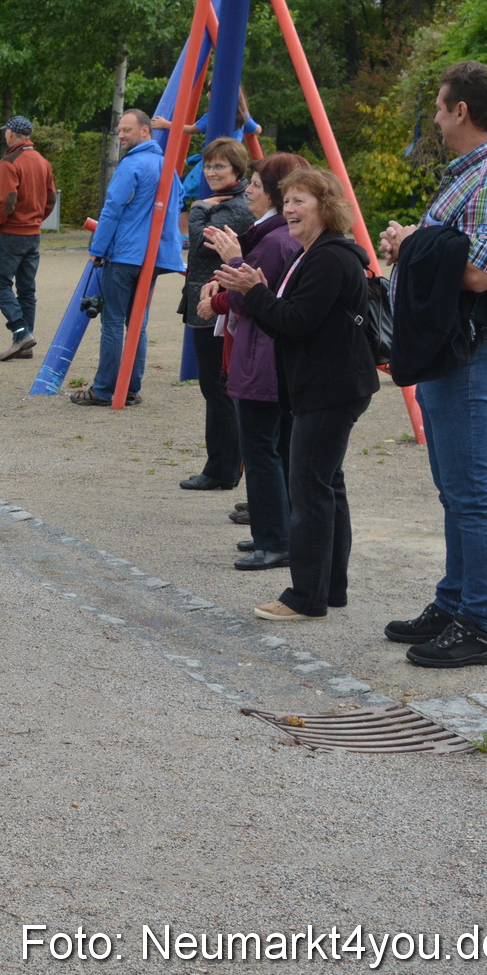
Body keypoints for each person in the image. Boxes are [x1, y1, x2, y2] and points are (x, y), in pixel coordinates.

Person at [380, 60, 487, 667]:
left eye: (441, 110)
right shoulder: (478, 171)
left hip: (474, 352)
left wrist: (410, 243)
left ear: (462, 110)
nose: (438, 122)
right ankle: (454, 603)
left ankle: (483, 624)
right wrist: (414, 241)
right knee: (455, 491)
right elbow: (456, 250)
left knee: (471, 494)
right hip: (456, 350)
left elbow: (478, 272)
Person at [214, 168, 377, 619]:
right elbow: (286, 320)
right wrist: (256, 292)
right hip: (328, 383)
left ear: (326, 206)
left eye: (299, 201)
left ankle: (306, 596)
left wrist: (254, 291)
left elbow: (296, 322)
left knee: (309, 489)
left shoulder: (329, 257)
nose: (289, 209)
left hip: (331, 387)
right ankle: (330, 588)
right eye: (286, 201)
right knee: (326, 485)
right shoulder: (312, 254)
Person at [199, 152, 309, 571]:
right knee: (276, 447)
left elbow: (251, 295)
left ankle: (274, 538)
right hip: (270, 356)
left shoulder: (276, 239)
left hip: (262, 357)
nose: (249, 191)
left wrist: (230, 265)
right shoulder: (277, 236)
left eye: (257, 186)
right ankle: (276, 531)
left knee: (263, 449)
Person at [71, 109, 184, 406]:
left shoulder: (132, 164)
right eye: (120, 129)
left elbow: (112, 209)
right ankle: (131, 387)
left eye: (126, 130)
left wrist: (97, 249)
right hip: (152, 256)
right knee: (138, 324)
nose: (120, 135)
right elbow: (177, 203)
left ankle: (105, 389)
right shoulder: (167, 165)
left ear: (145, 131)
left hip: (124, 255)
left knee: (112, 322)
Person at [176, 137, 255, 490]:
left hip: (219, 304)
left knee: (218, 387)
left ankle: (223, 468)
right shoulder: (223, 203)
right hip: (208, 301)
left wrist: (198, 207)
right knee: (215, 386)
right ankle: (224, 465)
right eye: (208, 166)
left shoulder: (236, 206)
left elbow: (201, 240)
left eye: (219, 166)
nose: (211, 172)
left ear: (237, 169)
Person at [0, 116, 55, 360]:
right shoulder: (42, 162)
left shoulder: (9, 162)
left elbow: (7, 200)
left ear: (11, 133)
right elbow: (51, 199)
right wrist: (37, 219)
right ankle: (24, 344)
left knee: (1, 284)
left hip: (11, 233)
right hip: (33, 233)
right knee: (27, 290)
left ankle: (21, 332)